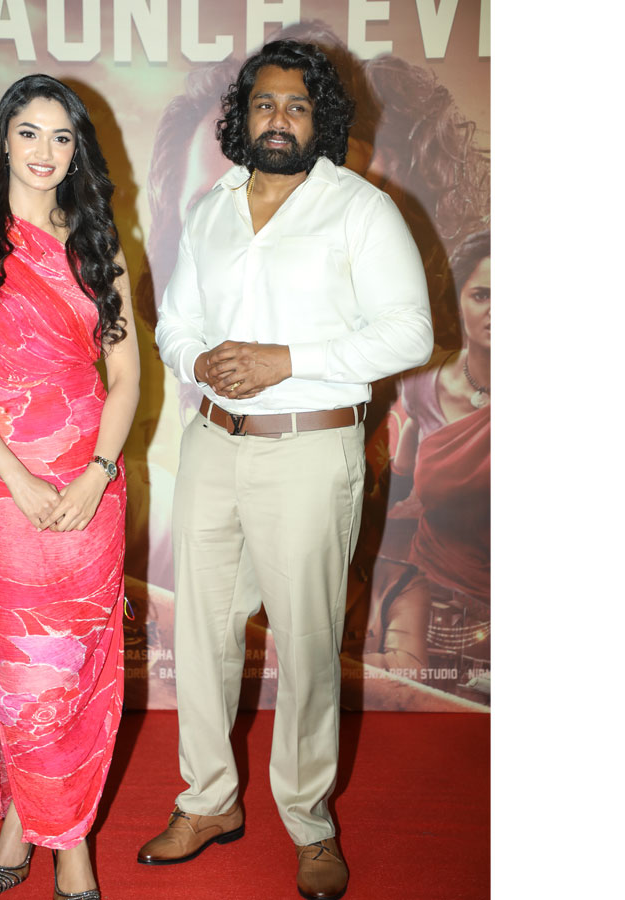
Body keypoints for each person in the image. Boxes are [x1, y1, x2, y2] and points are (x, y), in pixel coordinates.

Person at [142, 40, 433, 900]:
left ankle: (310, 825)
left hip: (310, 447)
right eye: (265, 104)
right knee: (200, 633)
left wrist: (285, 362)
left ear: (320, 120)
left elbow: (410, 333)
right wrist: (199, 362)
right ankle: (208, 802)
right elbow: (174, 323)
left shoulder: (361, 210)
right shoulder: (212, 208)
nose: (279, 120)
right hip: (211, 443)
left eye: (297, 107)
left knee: (306, 644)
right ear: (244, 115)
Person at [0, 74, 139, 900]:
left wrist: (97, 474)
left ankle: (30, 822)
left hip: (91, 484)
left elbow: (126, 377)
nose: (46, 151)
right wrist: (16, 478)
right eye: (29, 133)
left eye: (62, 137)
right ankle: (67, 844)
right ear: (2, 141)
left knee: (78, 666)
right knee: (22, 669)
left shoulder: (98, 247)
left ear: (78, 151)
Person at [385, 229, 491, 695]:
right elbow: (398, 483)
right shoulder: (423, 385)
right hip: (426, 605)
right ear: (457, 301)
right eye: (482, 295)